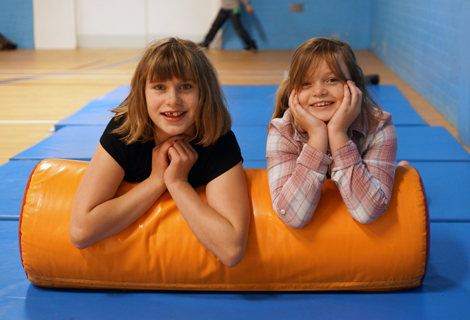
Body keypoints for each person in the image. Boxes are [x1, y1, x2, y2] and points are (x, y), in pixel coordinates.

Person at [70, 38, 250, 268]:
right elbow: (80, 231)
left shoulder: (218, 140)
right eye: (159, 87)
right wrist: (156, 181)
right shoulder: (125, 131)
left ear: (203, 92)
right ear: (142, 93)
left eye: (186, 86)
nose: (173, 100)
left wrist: (177, 183)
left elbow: (231, 250)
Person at [267, 37, 404, 229]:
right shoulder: (283, 131)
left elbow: (368, 212)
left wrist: (338, 133)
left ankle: (401, 171)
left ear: (353, 84)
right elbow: (291, 217)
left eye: (332, 80)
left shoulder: (378, 127)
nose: (319, 91)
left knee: (402, 180)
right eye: (306, 83)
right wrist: (317, 136)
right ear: (294, 91)